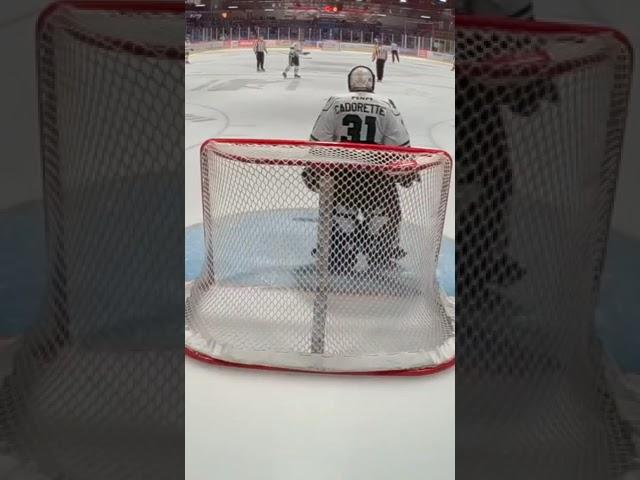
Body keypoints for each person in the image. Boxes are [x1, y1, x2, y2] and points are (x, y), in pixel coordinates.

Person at [304, 66, 415, 273]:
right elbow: (400, 147)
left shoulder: (335, 102)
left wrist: (312, 172)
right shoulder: (387, 105)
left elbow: (319, 142)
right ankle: (380, 252)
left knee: (338, 221)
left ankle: (338, 251)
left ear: (349, 82)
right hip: (377, 180)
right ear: (373, 83)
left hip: (342, 179)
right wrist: (406, 175)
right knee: (385, 217)